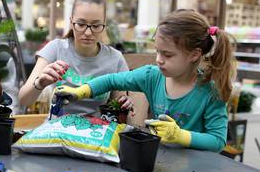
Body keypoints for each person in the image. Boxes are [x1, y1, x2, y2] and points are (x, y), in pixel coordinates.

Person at [55, 9, 236, 153]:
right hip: (161, 160)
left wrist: (181, 136)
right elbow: (111, 80)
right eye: (157, 51)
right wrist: (82, 91)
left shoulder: (211, 91)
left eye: (167, 54)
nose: (158, 59)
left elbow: (218, 141)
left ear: (194, 55)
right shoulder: (153, 76)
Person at [19, 0, 133, 117]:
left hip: (97, 132)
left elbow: (119, 104)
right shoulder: (56, 48)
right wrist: (39, 84)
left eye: (96, 25)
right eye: (81, 24)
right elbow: (24, 100)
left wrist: (124, 103)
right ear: (71, 22)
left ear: (104, 24)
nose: (88, 32)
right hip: (57, 130)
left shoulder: (115, 59)